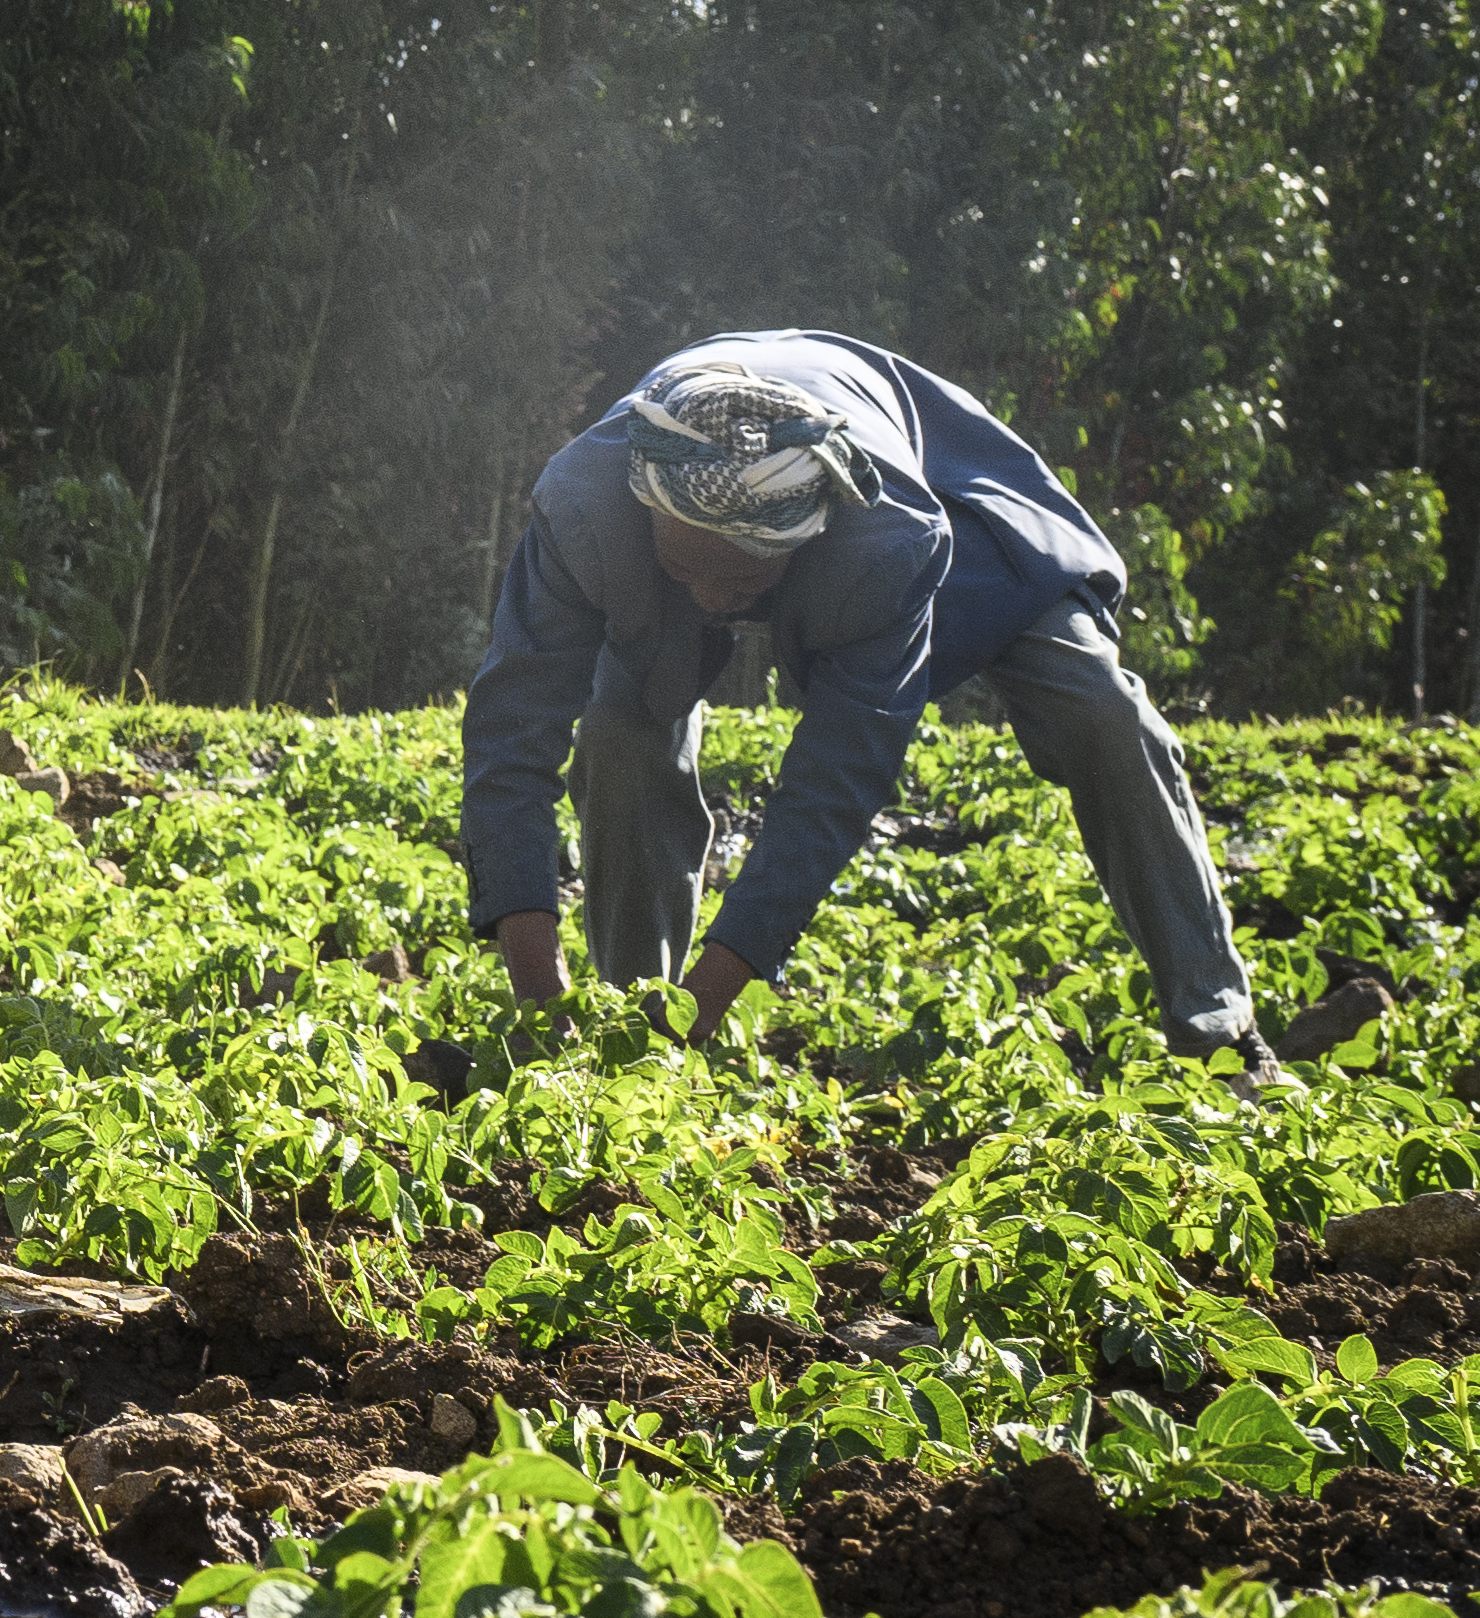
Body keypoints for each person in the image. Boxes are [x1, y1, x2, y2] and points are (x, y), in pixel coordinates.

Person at [451, 329, 1274, 1072]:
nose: (708, 596)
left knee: (1099, 708)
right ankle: (629, 1031)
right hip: (681, 522)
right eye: (686, 566)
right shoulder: (590, 504)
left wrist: (712, 995)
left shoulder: (889, 538)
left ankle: (1218, 1024)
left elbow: (834, 783)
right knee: (618, 731)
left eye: (736, 578)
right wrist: (539, 993)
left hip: (947, 494)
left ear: (803, 539)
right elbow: (510, 726)